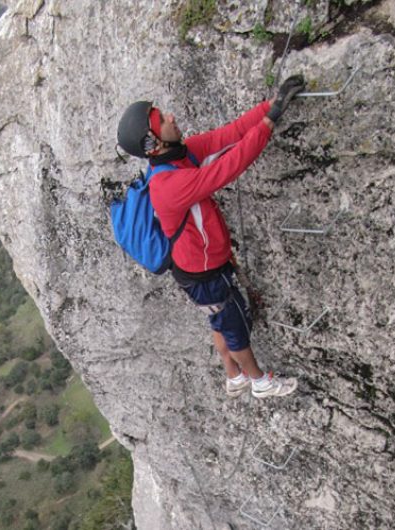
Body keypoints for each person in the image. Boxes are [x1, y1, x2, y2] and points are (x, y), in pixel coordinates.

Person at [116, 75, 306, 399]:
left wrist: (269, 106)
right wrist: (270, 122)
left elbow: (228, 136)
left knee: (219, 319)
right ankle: (259, 382)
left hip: (200, 270)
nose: (171, 117)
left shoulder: (180, 155)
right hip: (204, 275)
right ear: (153, 143)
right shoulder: (169, 185)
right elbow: (229, 166)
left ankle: (233, 376)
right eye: (162, 120)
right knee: (235, 327)